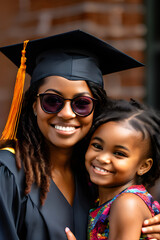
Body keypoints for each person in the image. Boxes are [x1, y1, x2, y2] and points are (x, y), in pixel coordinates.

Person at [0, 30, 159, 240]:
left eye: (82, 104)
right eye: (51, 100)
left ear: (96, 110)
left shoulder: (96, 176)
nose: (66, 114)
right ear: (34, 106)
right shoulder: (9, 173)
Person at [65, 98, 160, 240]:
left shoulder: (127, 204)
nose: (102, 158)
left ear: (143, 166)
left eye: (119, 154)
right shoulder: (104, 197)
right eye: (97, 146)